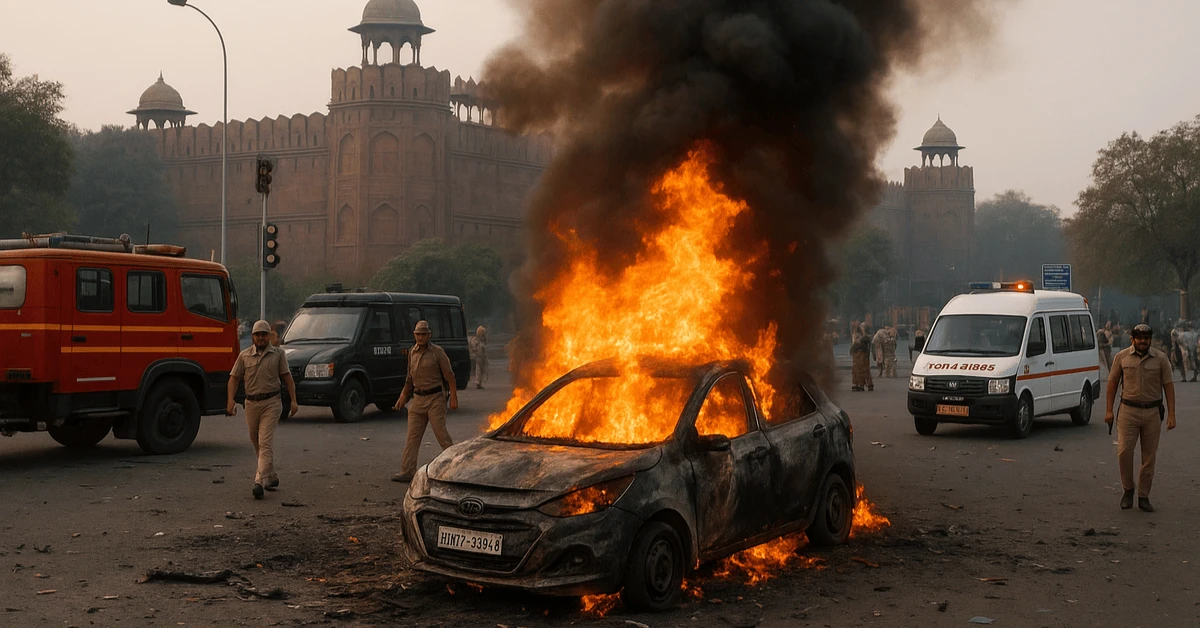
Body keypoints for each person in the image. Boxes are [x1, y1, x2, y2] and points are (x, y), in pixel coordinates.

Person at [1104, 323, 1177, 512]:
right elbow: (1112, 383)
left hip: (1152, 413)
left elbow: (1168, 386)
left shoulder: (1160, 359)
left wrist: (1172, 414)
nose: (1143, 341)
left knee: (1149, 457)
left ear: (1150, 340)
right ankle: (1128, 489)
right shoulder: (1121, 358)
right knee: (1124, 453)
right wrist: (1109, 411)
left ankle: (1143, 495)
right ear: (1133, 339)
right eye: (1139, 338)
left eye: (1146, 338)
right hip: (1128, 411)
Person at [227, 320, 299, 500]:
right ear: (252, 336)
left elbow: (287, 377)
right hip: (251, 404)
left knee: (264, 442)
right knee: (256, 442)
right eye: (257, 334)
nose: (260, 338)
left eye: (264, 334)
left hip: (272, 403)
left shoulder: (278, 354)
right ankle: (271, 476)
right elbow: (234, 378)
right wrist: (230, 400)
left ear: (269, 336)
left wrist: (294, 401)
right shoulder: (244, 356)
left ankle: (258, 481)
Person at [392, 320, 459, 483]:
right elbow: (409, 378)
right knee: (412, 438)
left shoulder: (438, 352)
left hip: (435, 399)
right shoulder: (412, 352)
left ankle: (457, 468)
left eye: (423, 334)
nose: (420, 337)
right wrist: (402, 397)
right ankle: (407, 471)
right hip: (417, 400)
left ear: (429, 335)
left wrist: (454, 398)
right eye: (418, 334)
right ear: (414, 335)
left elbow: (449, 375)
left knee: (442, 436)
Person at [850, 322, 873, 392]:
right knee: (864, 369)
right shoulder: (866, 336)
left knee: (859, 369)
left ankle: (861, 384)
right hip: (863, 354)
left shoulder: (861, 336)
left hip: (859, 354)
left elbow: (857, 343)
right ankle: (867, 384)